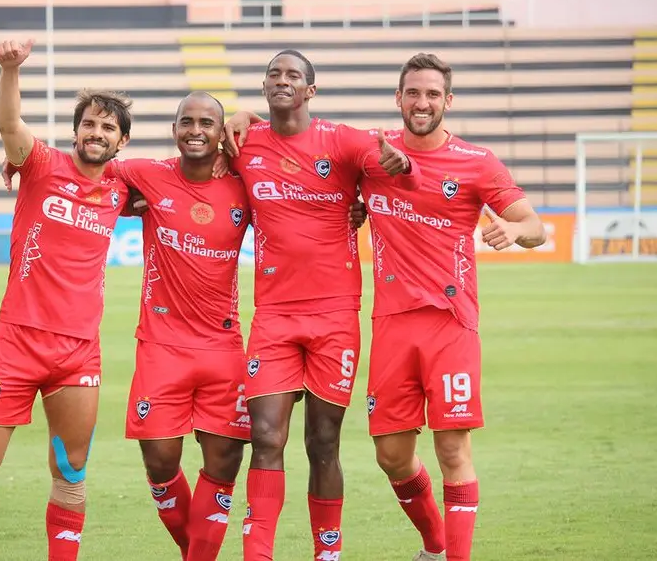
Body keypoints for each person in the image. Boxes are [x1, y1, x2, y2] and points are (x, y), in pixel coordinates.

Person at [219, 49, 419, 561]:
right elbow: (198, 154)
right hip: (273, 317)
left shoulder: (342, 141)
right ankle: (257, 554)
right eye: (273, 73)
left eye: (293, 75)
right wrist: (233, 116)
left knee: (322, 441)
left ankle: (327, 552)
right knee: (265, 436)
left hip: (334, 317)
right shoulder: (243, 141)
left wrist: (398, 163)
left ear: (311, 90)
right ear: (264, 88)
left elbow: (391, 163)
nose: (281, 80)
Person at [0, 38, 131, 561]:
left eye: (108, 128)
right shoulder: (41, 164)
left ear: (120, 144)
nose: (97, 133)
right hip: (17, 341)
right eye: (89, 124)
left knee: (71, 471)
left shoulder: (122, 190)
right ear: (76, 131)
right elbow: (9, 125)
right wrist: (10, 71)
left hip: (78, 353)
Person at [359, 52, 546, 561]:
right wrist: (247, 118)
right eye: (413, 93)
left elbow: (535, 226)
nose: (423, 103)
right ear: (398, 98)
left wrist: (514, 228)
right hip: (392, 324)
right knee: (391, 456)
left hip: (451, 324)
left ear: (448, 101)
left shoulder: (476, 162)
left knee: (452, 449)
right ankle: (435, 545)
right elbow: (306, 141)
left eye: (433, 95)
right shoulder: (370, 151)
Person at [109, 92, 252, 561]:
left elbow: (294, 164)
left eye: (207, 123)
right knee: (160, 461)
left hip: (222, 346)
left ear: (220, 133)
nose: (196, 130)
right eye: (186, 122)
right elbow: (88, 167)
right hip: (161, 346)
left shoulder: (242, 181)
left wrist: (248, 116)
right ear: (174, 130)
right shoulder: (146, 175)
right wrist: (26, 168)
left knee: (225, 460)